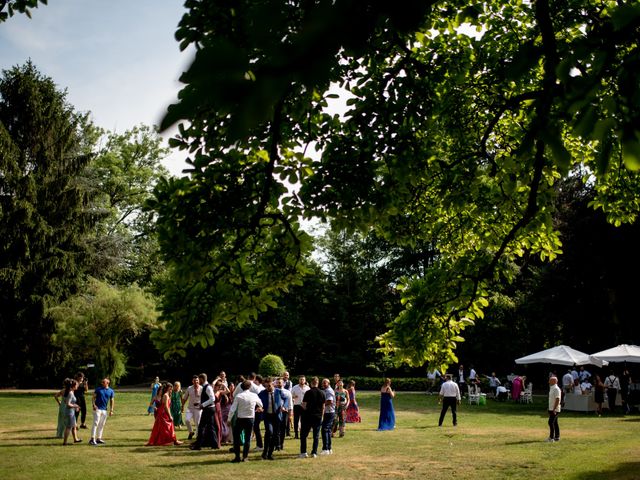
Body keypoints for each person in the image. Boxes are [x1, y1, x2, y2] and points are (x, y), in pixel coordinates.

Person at [228, 380, 263, 462]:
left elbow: (232, 409)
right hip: (250, 419)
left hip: (240, 419)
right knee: (247, 438)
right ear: (250, 387)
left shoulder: (238, 396)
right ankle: (245, 457)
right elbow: (261, 404)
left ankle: (237, 457)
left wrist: (229, 419)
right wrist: (258, 407)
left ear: (241, 387)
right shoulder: (254, 395)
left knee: (236, 438)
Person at [258, 377, 287, 460]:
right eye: (266, 386)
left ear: (273, 384)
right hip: (267, 416)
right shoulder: (262, 393)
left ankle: (269, 454)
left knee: (274, 435)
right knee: (269, 432)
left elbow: (287, 398)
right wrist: (258, 407)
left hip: (277, 416)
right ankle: (265, 452)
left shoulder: (278, 392)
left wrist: (284, 406)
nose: (268, 388)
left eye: (269, 386)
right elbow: (256, 401)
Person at [190, 373, 218, 450]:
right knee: (211, 427)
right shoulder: (205, 387)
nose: (199, 381)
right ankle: (215, 445)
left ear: (202, 379)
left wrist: (203, 405)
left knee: (201, 427)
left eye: (199, 379)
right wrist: (200, 403)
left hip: (208, 409)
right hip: (210, 409)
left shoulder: (208, 387)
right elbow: (208, 399)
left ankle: (198, 445)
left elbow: (213, 399)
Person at [298, 376, 325, 459]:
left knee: (304, 435)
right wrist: (322, 416)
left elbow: (304, 405)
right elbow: (323, 406)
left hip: (307, 416)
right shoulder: (322, 393)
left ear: (311, 383)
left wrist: (301, 405)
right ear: (318, 383)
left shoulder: (308, 392)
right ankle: (314, 452)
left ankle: (303, 452)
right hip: (318, 416)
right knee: (316, 436)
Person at [89, 377, 115, 446]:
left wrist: (111, 410)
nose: (102, 383)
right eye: (102, 382)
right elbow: (93, 397)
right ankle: (92, 439)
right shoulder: (98, 389)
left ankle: (99, 439)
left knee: (102, 424)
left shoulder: (111, 391)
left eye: (104, 382)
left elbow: (112, 400)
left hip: (104, 410)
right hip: (97, 409)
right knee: (95, 423)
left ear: (107, 383)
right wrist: (93, 405)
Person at [62, 378, 82, 445]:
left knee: (74, 426)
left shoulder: (69, 391)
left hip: (71, 411)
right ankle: (65, 442)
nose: (77, 386)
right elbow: (68, 404)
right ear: (73, 386)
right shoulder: (70, 393)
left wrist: (76, 406)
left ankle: (75, 439)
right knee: (68, 427)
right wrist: (75, 406)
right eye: (76, 385)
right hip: (69, 412)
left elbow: (68, 402)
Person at [274, 377, 292, 449]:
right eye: (277, 383)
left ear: (283, 383)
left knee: (283, 429)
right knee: (277, 429)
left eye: (280, 382)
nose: (278, 384)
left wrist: (290, 413)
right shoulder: (274, 392)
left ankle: (281, 444)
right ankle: (277, 444)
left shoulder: (287, 392)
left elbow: (290, 403)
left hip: (285, 412)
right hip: (276, 412)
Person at [182, 375, 202, 440]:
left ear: (199, 381)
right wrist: (182, 406)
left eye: (197, 380)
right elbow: (185, 398)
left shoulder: (202, 388)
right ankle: (191, 432)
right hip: (190, 408)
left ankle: (197, 437)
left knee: (197, 423)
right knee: (187, 420)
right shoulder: (189, 388)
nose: (196, 382)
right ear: (192, 381)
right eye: (194, 380)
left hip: (198, 408)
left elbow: (205, 398)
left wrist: (200, 404)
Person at [320, 378, 336, 455]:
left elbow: (330, 401)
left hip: (329, 412)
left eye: (325, 383)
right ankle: (329, 448)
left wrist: (320, 405)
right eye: (322, 383)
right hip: (329, 412)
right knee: (328, 430)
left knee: (324, 429)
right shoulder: (325, 390)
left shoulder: (329, 391)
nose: (323, 384)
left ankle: (325, 449)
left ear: (328, 383)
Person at [547, 376, 561, 442]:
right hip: (551, 408)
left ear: (554, 381)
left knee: (550, 422)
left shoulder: (556, 389)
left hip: (555, 409)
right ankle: (557, 437)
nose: (549, 381)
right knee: (555, 423)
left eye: (550, 380)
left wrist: (554, 409)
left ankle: (551, 438)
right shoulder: (552, 388)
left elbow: (558, 399)